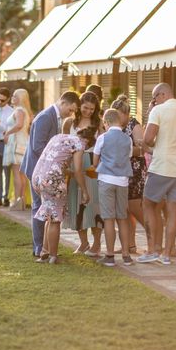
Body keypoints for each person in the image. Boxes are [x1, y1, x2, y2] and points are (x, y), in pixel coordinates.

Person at [137, 83, 176, 265]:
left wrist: (146, 145)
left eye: (154, 97)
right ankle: (166, 253)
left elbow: (148, 138)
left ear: (162, 94)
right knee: (173, 211)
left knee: (148, 204)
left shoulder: (158, 111)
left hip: (161, 166)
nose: (154, 101)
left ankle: (151, 250)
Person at [21, 91, 81, 258]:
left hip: (44, 170)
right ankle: (39, 247)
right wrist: (56, 164)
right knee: (39, 208)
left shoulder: (54, 117)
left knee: (46, 209)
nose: (71, 114)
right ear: (63, 102)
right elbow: (37, 146)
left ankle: (45, 249)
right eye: (70, 110)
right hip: (38, 170)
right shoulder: (46, 117)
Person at [32, 127, 96, 264]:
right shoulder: (79, 143)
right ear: (87, 141)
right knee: (55, 218)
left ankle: (45, 251)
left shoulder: (59, 137)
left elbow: (56, 163)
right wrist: (85, 191)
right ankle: (53, 256)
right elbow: (78, 170)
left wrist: (70, 174)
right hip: (52, 181)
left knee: (49, 213)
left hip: (38, 177)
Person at [62, 91, 103, 256]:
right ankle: (84, 242)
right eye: (85, 108)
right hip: (73, 166)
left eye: (92, 109)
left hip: (92, 165)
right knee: (76, 203)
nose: (88, 112)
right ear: (79, 105)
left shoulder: (98, 123)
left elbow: (103, 145)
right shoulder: (69, 123)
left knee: (93, 204)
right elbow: (63, 144)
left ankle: (97, 243)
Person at [93, 109, 134, 267]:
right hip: (122, 181)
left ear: (106, 122)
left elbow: (96, 161)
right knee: (122, 217)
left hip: (106, 179)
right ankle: (126, 255)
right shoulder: (127, 139)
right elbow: (128, 157)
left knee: (108, 218)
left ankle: (110, 255)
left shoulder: (103, 138)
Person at [112, 94, 147, 254]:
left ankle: (155, 242)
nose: (117, 119)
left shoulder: (134, 125)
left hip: (134, 172)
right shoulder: (115, 126)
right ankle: (129, 245)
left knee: (137, 209)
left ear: (126, 114)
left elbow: (141, 150)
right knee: (124, 211)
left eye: (119, 116)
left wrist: (122, 150)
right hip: (120, 172)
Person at [3, 88, 32, 211]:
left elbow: (19, 125)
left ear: (20, 98)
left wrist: (7, 133)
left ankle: (17, 200)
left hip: (18, 144)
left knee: (17, 174)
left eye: (15, 96)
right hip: (22, 142)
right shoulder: (24, 110)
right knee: (21, 175)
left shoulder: (20, 110)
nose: (12, 98)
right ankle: (21, 201)